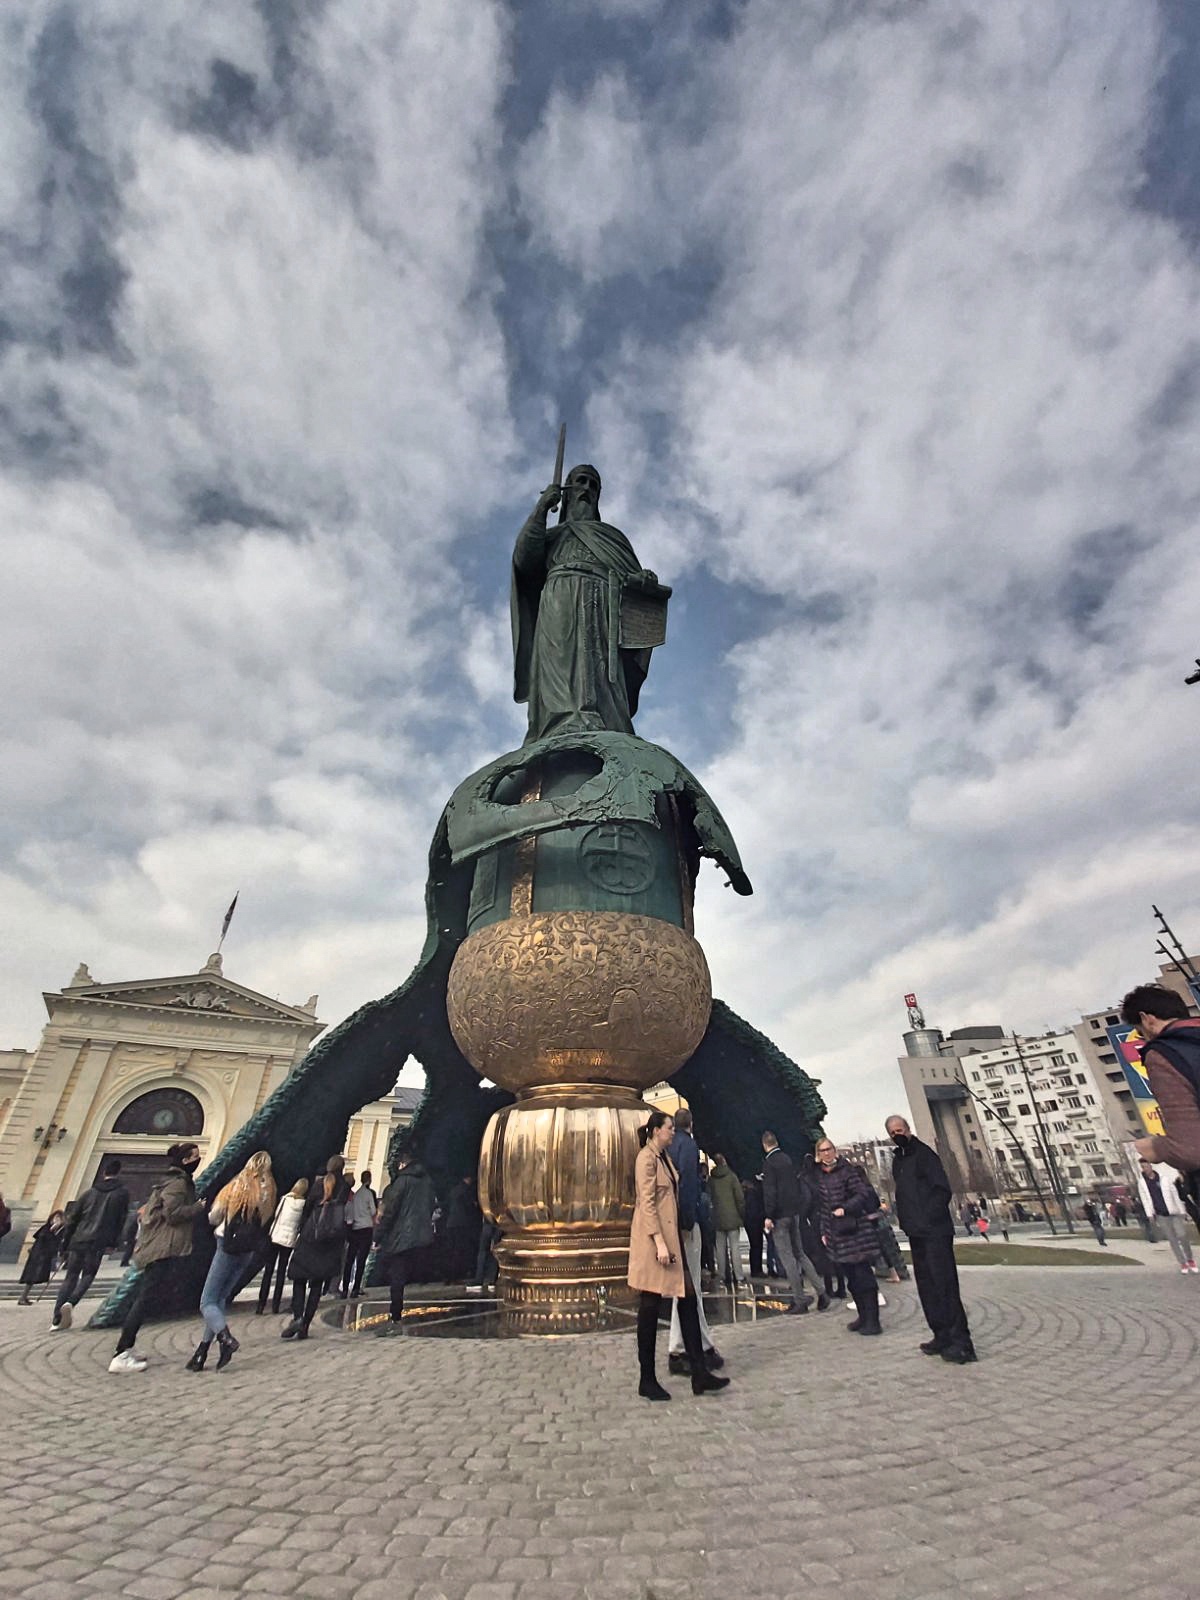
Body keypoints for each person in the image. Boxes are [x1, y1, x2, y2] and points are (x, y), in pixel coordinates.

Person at [512, 463, 667, 742]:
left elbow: (630, 577)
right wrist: (541, 509)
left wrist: (643, 580)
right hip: (560, 596)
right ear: (567, 490)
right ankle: (559, 723)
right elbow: (524, 559)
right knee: (561, 659)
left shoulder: (612, 537)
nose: (587, 489)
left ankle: (606, 722)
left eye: (593, 485)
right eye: (581, 481)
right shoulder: (553, 536)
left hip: (603, 602)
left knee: (599, 666)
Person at [629, 1111, 730, 1401]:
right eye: (669, 1128)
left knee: (687, 1300)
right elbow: (647, 1203)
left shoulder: (663, 1157)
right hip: (654, 1242)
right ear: (656, 1131)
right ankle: (647, 1378)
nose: (673, 1132)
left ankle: (700, 1373)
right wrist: (659, 1242)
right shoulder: (646, 1159)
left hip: (672, 1239)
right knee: (649, 1306)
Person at [109, 1142, 206, 1373]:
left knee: (147, 1297)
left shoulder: (172, 1180)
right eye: (195, 1156)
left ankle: (127, 1347)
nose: (198, 1159)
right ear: (185, 1161)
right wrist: (197, 1207)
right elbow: (172, 1214)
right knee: (145, 1299)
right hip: (162, 1247)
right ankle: (121, 1353)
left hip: (160, 1246)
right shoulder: (178, 1184)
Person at [886, 1115, 975, 1364]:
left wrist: (928, 1218)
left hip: (935, 1232)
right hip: (916, 1233)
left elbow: (941, 1189)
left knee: (945, 1285)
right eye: (892, 1132)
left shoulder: (924, 1155)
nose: (897, 1134)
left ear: (908, 1129)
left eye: (900, 1129)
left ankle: (962, 1343)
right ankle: (941, 1334)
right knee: (927, 1287)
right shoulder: (899, 1160)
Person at [187, 1151, 276, 1371]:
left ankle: (226, 1339)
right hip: (248, 1249)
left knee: (207, 1301)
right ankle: (201, 1352)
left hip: (227, 1244)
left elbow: (214, 1216)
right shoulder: (269, 1191)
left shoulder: (238, 1185)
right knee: (220, 1300)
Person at [1123, 986, 1200, 1203]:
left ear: (1147, 1019)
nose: (1144, 1039)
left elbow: (1190, 1150)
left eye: (1140, 1032)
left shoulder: (1163, 1054)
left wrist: (1155, 1148)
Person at [666, 1108, 723, 1374]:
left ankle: (687, 1346)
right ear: (691, 1124)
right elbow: (687, 1184)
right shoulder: (688, 1146)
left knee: (685, 1288)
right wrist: (687, 1221)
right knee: (691, 1287)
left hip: (671, 1221)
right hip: (686, 1223)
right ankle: (691, 1348)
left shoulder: (668, 1146)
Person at [812, 1137, 883, 1337]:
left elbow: (862, 1193)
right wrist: (824, 1231)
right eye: (823, 1150)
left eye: (829, 1149)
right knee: (851, 1277)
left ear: (834, 1150)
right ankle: (863, 1316)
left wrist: (846, 1208)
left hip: (855, 1229)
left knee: (863, 1275)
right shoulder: (820, 1176)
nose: (827, 1153)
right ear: (818, 1154)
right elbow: (823, 1208)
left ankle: (873, 1320)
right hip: (836, 1232)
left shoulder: (847, 1170)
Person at [51, 1157, 130, 1330]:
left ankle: (56, 1318)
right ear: (118, 1173)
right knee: (88, 1275)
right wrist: (115, 1242)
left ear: (104, 1173)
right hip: (98, 1242)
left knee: (71, 1276)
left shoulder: (88, 1193)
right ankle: (71, 1302)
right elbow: (121, 1220)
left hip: (78, 1240)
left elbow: (73, 1219)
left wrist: (65, 1243)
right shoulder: (122, 1194)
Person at [373, 1151, 437, 1334]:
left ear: (402, 1164)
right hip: (421, 1234)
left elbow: (390, 1211)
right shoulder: (427, 1181)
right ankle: (399, 1316)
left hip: (401, 1236)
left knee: (397, 1277)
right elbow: (431, 1206)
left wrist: (377, 1236)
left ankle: (395, 1317)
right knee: (404, 1273)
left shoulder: (402, 1182)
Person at [761, 1131, 824, 1314]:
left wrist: (769, 1215)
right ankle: (822, 1292)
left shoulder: (769, 1163)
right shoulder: (787, 1160)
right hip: (794, 1213)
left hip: (779, 1216)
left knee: (787, 1258)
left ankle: (799, 1300)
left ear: (764, 1145)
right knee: (800, 1254)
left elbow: (771, 1192)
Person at [282, 1173, 347, 1341]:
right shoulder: (341, 1192)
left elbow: (305, 1212)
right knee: (316, 1286)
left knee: (299, 1280)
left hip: (309, 1239)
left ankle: (298, 1317)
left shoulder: (317, 1188)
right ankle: (305, 1325)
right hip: (328, 1245)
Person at [1136, 1159, 1197, 1273]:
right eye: (1143, 1167)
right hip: (1161, 1215)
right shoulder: (1142, 1183)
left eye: (1146, 1166)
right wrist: (1150, 1214)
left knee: (1182, 1235)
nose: (1145, 1169)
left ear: (1150, 1166)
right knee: (1172, 1240)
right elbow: (1145, 1199)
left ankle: (1190, 1259)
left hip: (1173, 1212)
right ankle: (1182, 1262)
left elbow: (1175, 1194)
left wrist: (1181, 1210)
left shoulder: (1164, 1179)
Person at [259, 1178, 308, 1313]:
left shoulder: (284, 1199)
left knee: (268, 1272)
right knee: (281, 1273)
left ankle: (261, 1305)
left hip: (276, 1237)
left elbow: (276, 1215)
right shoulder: (303, 1205)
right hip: (289, 1241)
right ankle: (275, 1305)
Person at [708, 1153, 746, 1289]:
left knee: (720, 1249)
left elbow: (710, 1197)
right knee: (735, 1248)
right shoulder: (732, 1177)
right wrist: (741, 1214)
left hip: (718, 1218)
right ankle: (739, 1277)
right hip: (733, 1217)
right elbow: (740, 1198)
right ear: (724, 1161)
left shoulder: (712, 1179)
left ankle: (722, 1277)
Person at [340, 1169, 377, 1299]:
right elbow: (373, 1211)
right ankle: (356, 1288)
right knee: (361, 1260)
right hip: (366, 1228)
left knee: (350, 1260)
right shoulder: (368, 1194)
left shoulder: (355, 1196)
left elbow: (349, 1212)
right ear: (369, 1179)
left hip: (355, 1229)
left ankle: (345, 1289)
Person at [18, 1211, 67, 1305]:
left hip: (46, 1256)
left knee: (34, 1277)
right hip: (37, 1255)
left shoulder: (61, 1230)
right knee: (31, 1276)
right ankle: (22, 1298)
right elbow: (41, 1238)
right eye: (55, 1217)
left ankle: (24, 1297)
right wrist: (52, 1230)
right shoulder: (46, 1228)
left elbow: (59, 1243)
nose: (57, 1220)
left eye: (59, 1218)